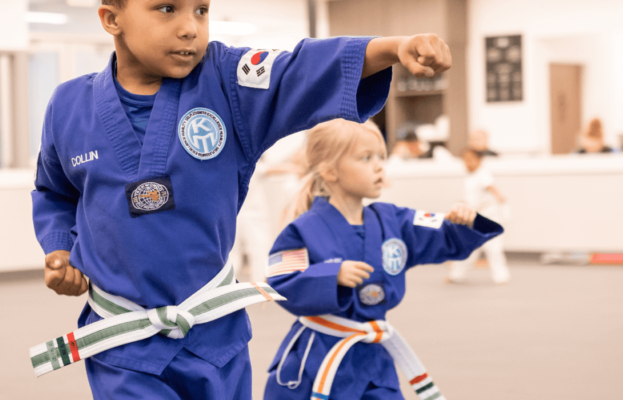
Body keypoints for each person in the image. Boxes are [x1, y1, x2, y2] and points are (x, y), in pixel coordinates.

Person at [29, 0, 453, 398]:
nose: (189, 28)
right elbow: (54, 192)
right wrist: (59, 250)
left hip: (215, 337)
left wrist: (393, 48)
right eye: (166, 8)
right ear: (111, 19)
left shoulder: (225, 81)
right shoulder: (68, 106)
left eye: (201, 9)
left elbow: (298, 70)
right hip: (124, 343)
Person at [263, 119, 502, 400]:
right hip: (318, 358)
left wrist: (463, 223)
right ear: (329, 170)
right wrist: (331, 275)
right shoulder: (302, 229)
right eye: (366, 158)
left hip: (373, 361)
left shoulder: (393, 220)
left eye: (381, 157)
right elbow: (280, 282)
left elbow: (441, 236)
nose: (378, 166)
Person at [447, 149, 510, 284]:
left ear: (479, 160)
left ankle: (501, 276)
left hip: (488, 217)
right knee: (468, 246)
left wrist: (503, 204)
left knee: (493, 249)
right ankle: (457, 275)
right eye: (465, 160)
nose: (467, 163)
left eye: (471, 159)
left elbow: (493, 189)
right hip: (474, 218)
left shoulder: (483, 174)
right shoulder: (471, 176)